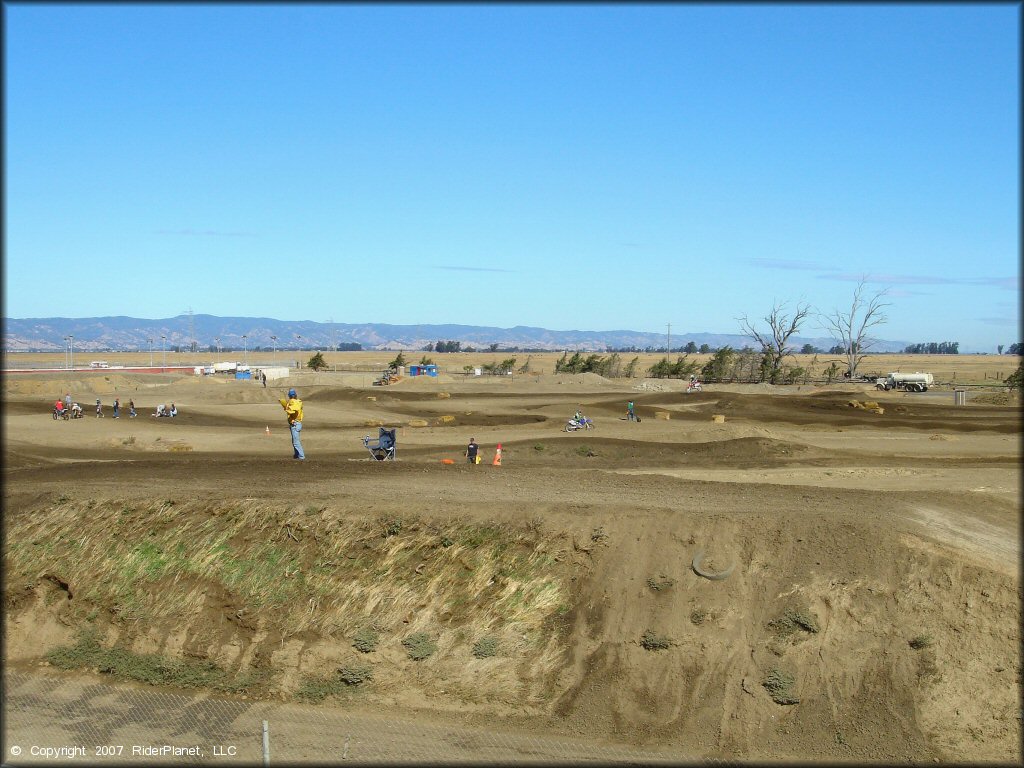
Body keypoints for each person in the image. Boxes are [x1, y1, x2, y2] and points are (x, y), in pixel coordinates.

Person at [279, 388, 304, 460]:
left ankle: (301, 456)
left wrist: (288, 409)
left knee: (296, 442)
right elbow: (289, 407)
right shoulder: (295, 402)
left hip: (295, 424)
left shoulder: (295, 402)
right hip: (294, 424)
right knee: (294, 441)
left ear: (289, 395)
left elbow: (293, 410)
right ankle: (296, 455)